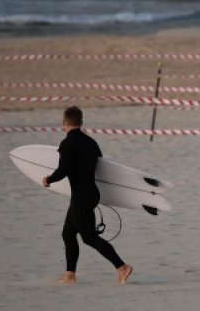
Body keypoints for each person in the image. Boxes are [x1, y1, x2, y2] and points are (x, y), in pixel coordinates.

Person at [42, 106, 133, 285]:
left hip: (81, 196)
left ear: (63, 123)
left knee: (88, 237)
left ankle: (122, 267)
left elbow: (63, 170)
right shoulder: (91, 142)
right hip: (91, 193)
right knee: (68, 234)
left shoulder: (67, 143)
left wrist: (49, 179)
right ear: (81, 123)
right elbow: (101, 164)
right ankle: (70, 275)